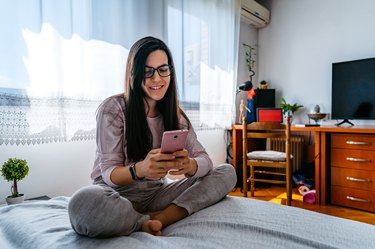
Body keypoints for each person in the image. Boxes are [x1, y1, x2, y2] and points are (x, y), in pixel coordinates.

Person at [68, 36, 237, 238]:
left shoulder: (177, 117)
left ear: (170, 72)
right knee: (82, 202)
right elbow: (109, 173)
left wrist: (190, 165)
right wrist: (141, 169)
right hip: (115, 194)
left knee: (227, 172)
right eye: (147, 71)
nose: (156, 79)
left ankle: (159, 219)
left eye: (163, 69)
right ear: (134, 73)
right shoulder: (114, 109)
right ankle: (141, 221)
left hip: (156, 194)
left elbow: (206, 161)